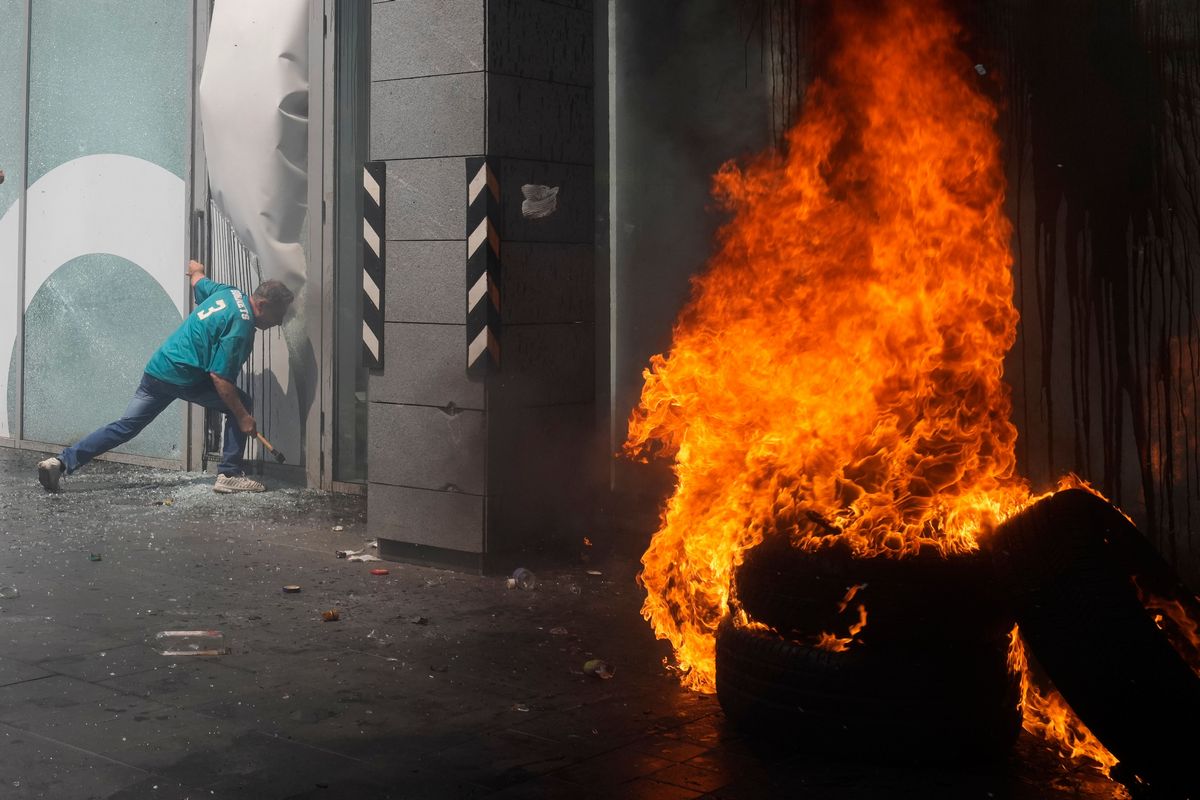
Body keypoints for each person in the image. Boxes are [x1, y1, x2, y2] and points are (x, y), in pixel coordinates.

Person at [37, 259, 294, 494]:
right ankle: (229, 473)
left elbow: (199, 282)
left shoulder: (229, 293)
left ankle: (59, 463)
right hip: (186, 377)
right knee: (242, 403)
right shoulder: (243, 327)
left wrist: (196, 269)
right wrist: (243, 417)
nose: (278, 323)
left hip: (159, 369)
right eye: (278, 315)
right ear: (262, 305)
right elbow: (220, 378)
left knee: (125, 426)